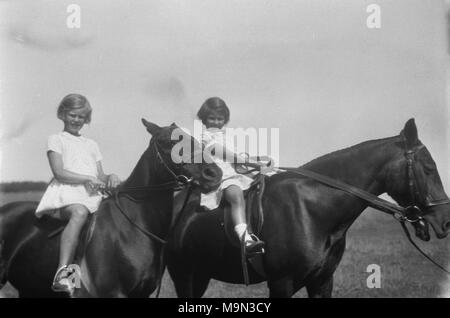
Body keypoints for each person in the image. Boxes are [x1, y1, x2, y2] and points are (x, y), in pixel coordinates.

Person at [35, 93, 121, 293]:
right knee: (80, 213)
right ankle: (63, 273)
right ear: (63, 114)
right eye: (72, 115)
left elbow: (100, 174)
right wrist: (85, 179)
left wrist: (111, 176)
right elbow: (59, 173)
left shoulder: (91, 144)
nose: (76, 120)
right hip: (66, 195)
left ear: (86, 119)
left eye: (81, 117)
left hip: (91, 194)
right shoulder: (56, 139)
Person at [197, 97, 265, 256]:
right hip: (221, 176)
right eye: (211, 118)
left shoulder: (227, 136)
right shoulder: (205, 137)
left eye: (220, 119)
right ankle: (245, 238)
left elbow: (237, 156)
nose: (215, 122)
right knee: (235, 194)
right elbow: (223, 153)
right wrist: (249, 163)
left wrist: (256, 160)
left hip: (236, 172)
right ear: (204, 119)